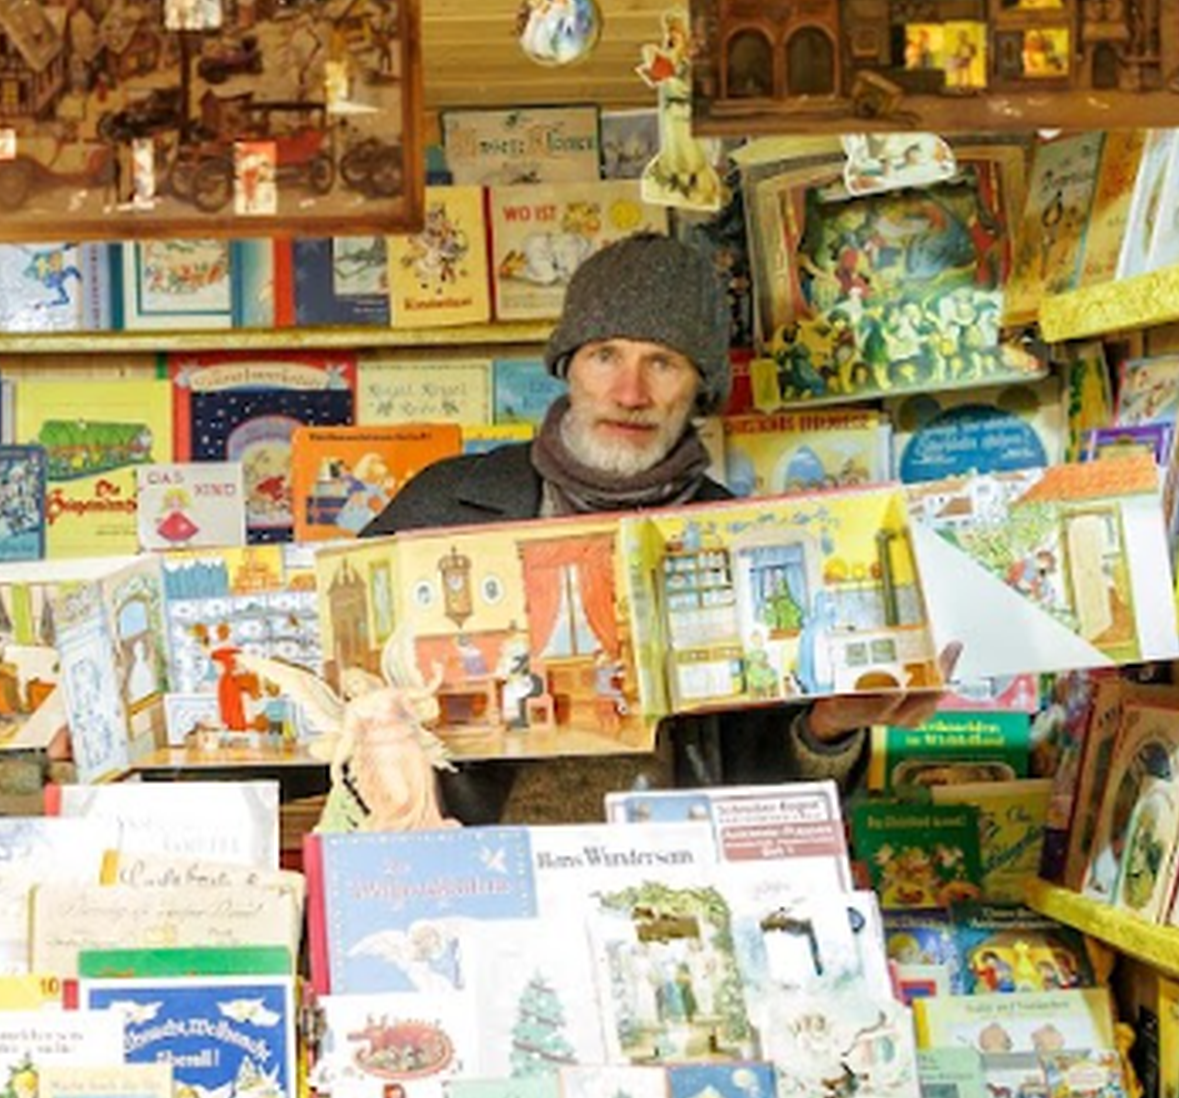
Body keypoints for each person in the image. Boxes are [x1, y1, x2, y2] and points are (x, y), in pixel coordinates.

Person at [373, 231, 945, 827]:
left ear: (700, 387)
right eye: (605, 356)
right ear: (569, 368)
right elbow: (325, 730)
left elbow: (773, 805)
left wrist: (829, 728)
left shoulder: (744, 538)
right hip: (469, 870)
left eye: (663, 363)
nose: (630, 393)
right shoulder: (444, 503)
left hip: (676, 868)